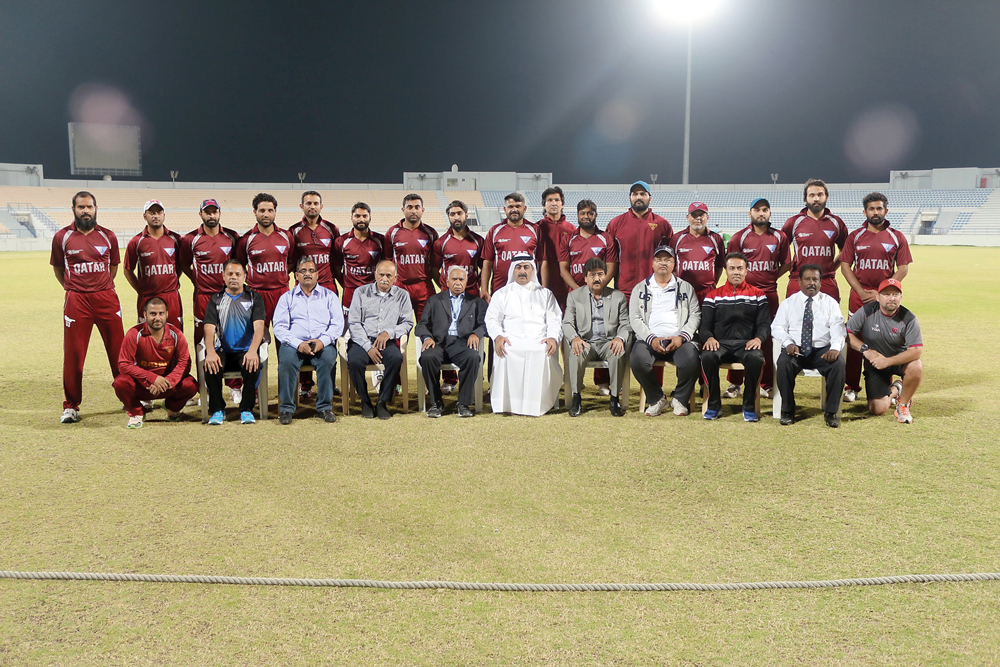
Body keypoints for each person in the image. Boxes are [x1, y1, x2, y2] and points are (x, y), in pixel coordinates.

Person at [50, 190, 125, 424]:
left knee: (119, 351)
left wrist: (99, 287)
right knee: (74, 354)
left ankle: (129, 398)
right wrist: (73, 288)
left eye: (89, 207)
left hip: (106, 298)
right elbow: (58, 270)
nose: (85, 211)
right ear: (73, 209)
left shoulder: (109, 236)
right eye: (81, 207)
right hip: (77, 301)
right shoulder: (61, 237)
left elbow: (112, 269)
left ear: (96, 209)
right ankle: (71, 406)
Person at [839, 192, 913, 404]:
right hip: (859, 297)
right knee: (853, 339)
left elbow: (903, 268)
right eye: (871, 209)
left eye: (879, 208)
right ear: (865, 212)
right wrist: (862, 292)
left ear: (886, 211)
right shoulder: (855, 236)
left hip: (884, 298)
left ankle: (885, 383)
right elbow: (845, 266)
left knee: (883, 340)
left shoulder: (896, 236)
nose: (875, 212)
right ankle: (851, 386)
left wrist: (883, 293)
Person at [724, 198, 792, 400]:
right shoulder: (740, 237)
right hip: (744, 294)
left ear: (770, 213)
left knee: (769, 338)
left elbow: (787, 264)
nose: (760, 213)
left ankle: (766, 383)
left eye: (765, 210)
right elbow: (732, 265)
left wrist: (770, 278)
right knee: (739, 335)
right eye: (756, 210)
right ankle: (735, 383)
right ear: (750, 213)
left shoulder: (780, 237)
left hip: (769, 294)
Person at [485, 256, 563, 416]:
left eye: (526, 267)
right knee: (506, 350)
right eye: (518, 267)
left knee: (542, 351)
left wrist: (553, 337)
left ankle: (537, 404)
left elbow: (555, 319)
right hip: (511, 339)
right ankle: (507, 404)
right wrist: (498, 336)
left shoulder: (545, 294)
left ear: (532, 270)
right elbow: (492, 319)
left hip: (539, 339)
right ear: (512, 270)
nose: (522, 271)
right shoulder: (501, 294)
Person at [628, 245, 701, 417]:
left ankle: (680, 399)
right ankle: (657, 398)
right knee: (638, 359)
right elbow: (635, 318)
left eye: (667, 260)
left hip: (678, 339)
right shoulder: (640, 288)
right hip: (650, 340)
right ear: (652, 263)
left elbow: (695, 315)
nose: (663, 263)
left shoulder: (685, 287)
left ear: (674, 264)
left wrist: (682, 337)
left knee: (692, 358)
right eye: (659, 259)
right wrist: (651, 338)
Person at [771, 265, 847, 427]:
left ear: (820, 282)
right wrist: (788, 343)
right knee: (783, 363)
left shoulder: (830, 303)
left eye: (815, 279)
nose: (811, 283)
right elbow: (777, 327)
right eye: (807, 279)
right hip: (796, 350)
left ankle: (831, 412)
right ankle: (787, 410)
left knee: (838, 364)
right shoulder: (789, 303)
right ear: (799, 281)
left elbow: (838, 328)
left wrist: (834, 347)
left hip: (823, 351)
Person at [557, 198, 619, 394]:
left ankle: (602, 382)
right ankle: (573, 380)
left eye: (590, 213)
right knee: (574, 337)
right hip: (575, 296)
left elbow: (611, 268)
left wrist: (597, 289)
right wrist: (579, 291)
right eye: (582, 213)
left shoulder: (606, 238)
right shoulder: (568, 239)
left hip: (601, 295)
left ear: (595, 215)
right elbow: (563, 269)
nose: (586, 216)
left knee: (602, 336)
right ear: (578, 215)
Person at [272, 258, 344, 425]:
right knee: (287, 362)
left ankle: (325, 407)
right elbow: (280, 327)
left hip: (321, 343)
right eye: (303, 271)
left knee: (327, 360)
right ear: (296, 275)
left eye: (311, 271)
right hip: (294, 344)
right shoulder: (287, 298)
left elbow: (337, 324)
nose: (307, 274)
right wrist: (298, 344)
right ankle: (287, 409)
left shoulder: (329, 296)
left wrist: (322, 341)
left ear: (317, 274)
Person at [699, 252, 770, 422]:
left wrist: (758, 339)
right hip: (720, 344)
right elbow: (704, 326)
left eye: (740, 268)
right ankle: (714, 405)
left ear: (746, 270)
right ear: (726, 270)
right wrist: (709, 338)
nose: (736, 272)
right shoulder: (713, 295)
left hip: (746, 345)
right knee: (707, 357)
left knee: (756, 358)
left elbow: (765, 325)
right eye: (732, 268)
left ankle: (749, 406)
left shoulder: (758, 295)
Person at [113, 297, 198, 428]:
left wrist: (166, 382)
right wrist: (152, 379)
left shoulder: (176, 334)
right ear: (145, 314)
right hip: (143, 386)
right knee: (120, 383)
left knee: (190, 385)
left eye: (161, 313)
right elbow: (124, 364)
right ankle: (137, 413)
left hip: (167, 385)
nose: (157, 318)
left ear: (167, 314)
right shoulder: (134, 334)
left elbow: (184, 363)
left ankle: (172, 407)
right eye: (153, 314)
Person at [415, 265, 488, 418]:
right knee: (427, 358)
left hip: (462, 343)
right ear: (447, 281)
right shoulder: (434, 300)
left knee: (473, 357)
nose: (457, 282)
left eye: (461, 279)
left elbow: (484, 325)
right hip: (438, 343)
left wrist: (476, 333)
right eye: (454, 279)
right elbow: (422, 325)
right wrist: (427, 338)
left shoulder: (477, 302)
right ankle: (436, 403)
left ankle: (463, 404)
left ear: (467, 281)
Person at [846, 279, 923, 423]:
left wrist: (888, 361)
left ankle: (903, 405)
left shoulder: (909, 318)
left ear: (901, 297)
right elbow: (846, 333)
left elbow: (917, 350)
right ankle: (897, 389)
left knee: (916, 366)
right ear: (878, 297)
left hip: (898, 360)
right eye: (886, 294)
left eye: (895, 294)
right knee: (877, 409)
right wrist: (866, 350)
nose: (891, 298)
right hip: (875, 363)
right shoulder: (867, 311)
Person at [288, 190, 341, 400]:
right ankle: (306, 384)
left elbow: (336, 260)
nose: (312, 206)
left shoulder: (331, 229)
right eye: (308, 203)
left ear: (321, 206)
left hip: (328, 287)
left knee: (330, 335)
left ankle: (330, 382)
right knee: (303, 332)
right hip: (304, 289)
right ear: (301, 206)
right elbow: (291, 262)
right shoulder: (293, 231)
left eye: (316, 203)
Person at [563, 258, 631, 417]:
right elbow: (566, 322)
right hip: (586, 342)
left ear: (606, 276)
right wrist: (575, 338)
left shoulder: (618, 297)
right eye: (592, 275)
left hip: (609, 342)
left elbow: (625, 324)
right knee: (576, 352)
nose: (596, 278)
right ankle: (576, 397)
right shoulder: (574, 296)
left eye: (600, 274)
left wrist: (620, 338)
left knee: (618, 352)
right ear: (585, 278)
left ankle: (614, 399)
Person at [346, 261, 414, 420]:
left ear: (395, 278)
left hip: (386, 342)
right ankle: (365, 402)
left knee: (396, 358)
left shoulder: (402, 295)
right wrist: (368, 346)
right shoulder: (360, 292)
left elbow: (407, 323)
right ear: (375, 275)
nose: (384, 278)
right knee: (355, 361)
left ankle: (382, 401)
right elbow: (354, 323)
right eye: (381, 274)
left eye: (389, 275)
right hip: (362, 341)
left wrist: (388, 333)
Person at [203, 260, 266, 425]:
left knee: (251, 364)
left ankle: (246, 409)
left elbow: (259, 328)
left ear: (245, 276)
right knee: (211, 364)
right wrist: (210, 352)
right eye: (230, 274)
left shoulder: (254, 298)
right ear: (223, 276)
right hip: (223, 350)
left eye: (238, 274)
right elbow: (209, 328)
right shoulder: (216, 299)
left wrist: (253, 351)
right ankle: (217, 410)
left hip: (246, 350)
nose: (234, 277)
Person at [179, 199, 239, 349]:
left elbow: (239, 265)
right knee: (202, 340)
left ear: (219, 213)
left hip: (228, 296)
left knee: (231, 337)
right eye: (207, 212)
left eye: (214, 212)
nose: (211, 215)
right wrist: (196, 280)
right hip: (203, 296)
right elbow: (184, 264)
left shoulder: (232, 237)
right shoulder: (190, 239)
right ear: (201, 214)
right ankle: (203, 373)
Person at [604, 181, 673, 299]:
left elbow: (671, 260)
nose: (638, 197)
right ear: (630, 197)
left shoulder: (662, 224)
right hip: (623, 291)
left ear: (650, 198)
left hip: (654, 290)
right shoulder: (615, 224)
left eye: (643, 194)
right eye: (635, 194)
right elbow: (609, 259)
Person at [781, 179, 848, 300]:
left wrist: (832, 266)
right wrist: (790, 266)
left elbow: (845, 251)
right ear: (805, 199)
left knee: (830, 318)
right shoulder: (793, 222)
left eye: (820, 195)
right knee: (794, 318)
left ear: (826, 197)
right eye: (812, 195)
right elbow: (780, 250)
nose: (816, 198)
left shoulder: (837, 223)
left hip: (826, 280)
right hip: (798, 280)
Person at [236, 192, 292, 334]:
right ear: (255, 212)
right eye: (262, 210)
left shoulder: (286, 236)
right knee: (258, 339)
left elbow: (292, 261)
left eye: (270, 210)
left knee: (285, 338)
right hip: (257, 294)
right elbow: (239, 266)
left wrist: (280, 276)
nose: (266, 214)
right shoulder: (246, 239)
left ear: (275, 212)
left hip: (282, 293)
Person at [123, 200, 184, 330]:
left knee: (175, 335)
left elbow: (180, 266)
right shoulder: (136, 241)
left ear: (164, 215)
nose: (156, 216)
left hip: (171, 296)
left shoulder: (176, 239)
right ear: (145, 216)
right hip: (147, 297)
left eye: (159, 212)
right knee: (147, 337)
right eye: (151, 212)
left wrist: (171, 282)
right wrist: (140, 289)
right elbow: (128, 270)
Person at [383, 193, 440, 321]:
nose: (413, 210)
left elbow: (435, 264)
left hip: (424, 287)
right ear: (403, 210)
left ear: (422, 210)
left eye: (417, 207)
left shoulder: (430, 233)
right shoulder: (392, 232)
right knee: (397, 329)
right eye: (409, 207)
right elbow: (387, 262)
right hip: (400, 286)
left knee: (427, 329)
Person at [480, 192, 541, 301]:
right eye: (510, 206)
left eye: (518, 206)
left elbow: (542, 261)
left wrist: (542, 287)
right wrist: (484, 290)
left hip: (528, 290)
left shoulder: (535, 230)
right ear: (505, 209)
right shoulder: (495, 231)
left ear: (524, 208)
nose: (514, 209)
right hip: (500, 289)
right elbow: (487, 262)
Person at [333, 202, 384, 313]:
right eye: (357, 216)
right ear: (352, 218)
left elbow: (386, 267)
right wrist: (347, 285)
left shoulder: (380, 240)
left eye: (364, 216)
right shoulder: (341, 241)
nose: (361, 219)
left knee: (374, 326)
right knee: (348, 328)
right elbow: (336, 270)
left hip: (373, 292)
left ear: (370, 218)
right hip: (350, 294)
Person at [670, 202, 725, 303]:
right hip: (683, 292)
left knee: (707, 319)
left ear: (707, 217)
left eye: (701, 215)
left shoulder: (716, 239)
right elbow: (671, 265)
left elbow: (719, 265)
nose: (698, 218)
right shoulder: (677, 238)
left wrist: (712, 284)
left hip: (708, 293)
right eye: (694, 215)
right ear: (687, 217)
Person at [537, 186, 577, 310]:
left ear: (562, 204)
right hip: (542, 283)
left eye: (556, 200)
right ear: (544, 205)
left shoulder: (572, 229)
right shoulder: (537, 227)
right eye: (549, 200)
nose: (553, 203)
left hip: (565, 285)